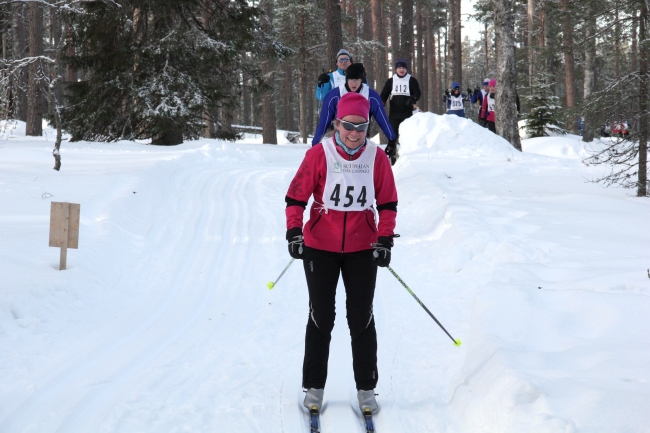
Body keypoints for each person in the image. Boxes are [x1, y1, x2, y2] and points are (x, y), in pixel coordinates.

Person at [285, 92, 398, 416]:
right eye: (348, 125)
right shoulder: (319, 154)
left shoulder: (377, 158)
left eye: (361, 126)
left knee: (360, 317)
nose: (354, 133)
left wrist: (384, 239)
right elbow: (295, 198)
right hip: (319, 247)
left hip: (363, 248)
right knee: (322, 317)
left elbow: (388, 204)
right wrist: (294, 232)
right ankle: (315, 387)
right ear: (337, 124)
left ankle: (366, 388)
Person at [313, 63, 396, 151]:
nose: (353, 83)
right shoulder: (334, 95)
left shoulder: (371, 96)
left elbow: (382, 119)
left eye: (357, 80)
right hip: (340, 136)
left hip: (361, 136)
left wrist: (392, 140)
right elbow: (324, 122)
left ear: (362, 80)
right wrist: (315, 143)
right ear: (346, 79)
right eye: (350, 80)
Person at [380, 59, 421, 165]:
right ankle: (392, 159)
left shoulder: (411, 80)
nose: (401, 70)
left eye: (403, 68)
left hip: (407, 113)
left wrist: (413, 98)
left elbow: (417, 93)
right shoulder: (391, 81)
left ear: (406, 69)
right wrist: (381, 102)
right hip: (394, 113)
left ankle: (407, 158)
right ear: (396, 69)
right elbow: (384, 93)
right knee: (392, 136)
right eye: (399, 68)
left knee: (406, 136)